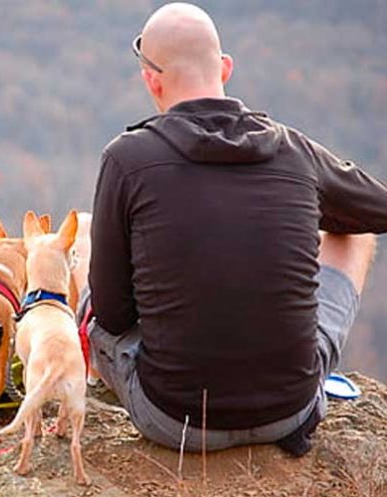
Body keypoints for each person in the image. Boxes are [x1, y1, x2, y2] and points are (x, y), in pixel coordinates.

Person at [83, 2, 387, 455]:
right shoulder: (295, 150)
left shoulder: (126, 160)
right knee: (354, 232)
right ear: (225, 68)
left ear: (152, 79)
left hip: (173, 418)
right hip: (291, 410)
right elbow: (377, 210)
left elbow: (111, 315)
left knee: (87, 249)